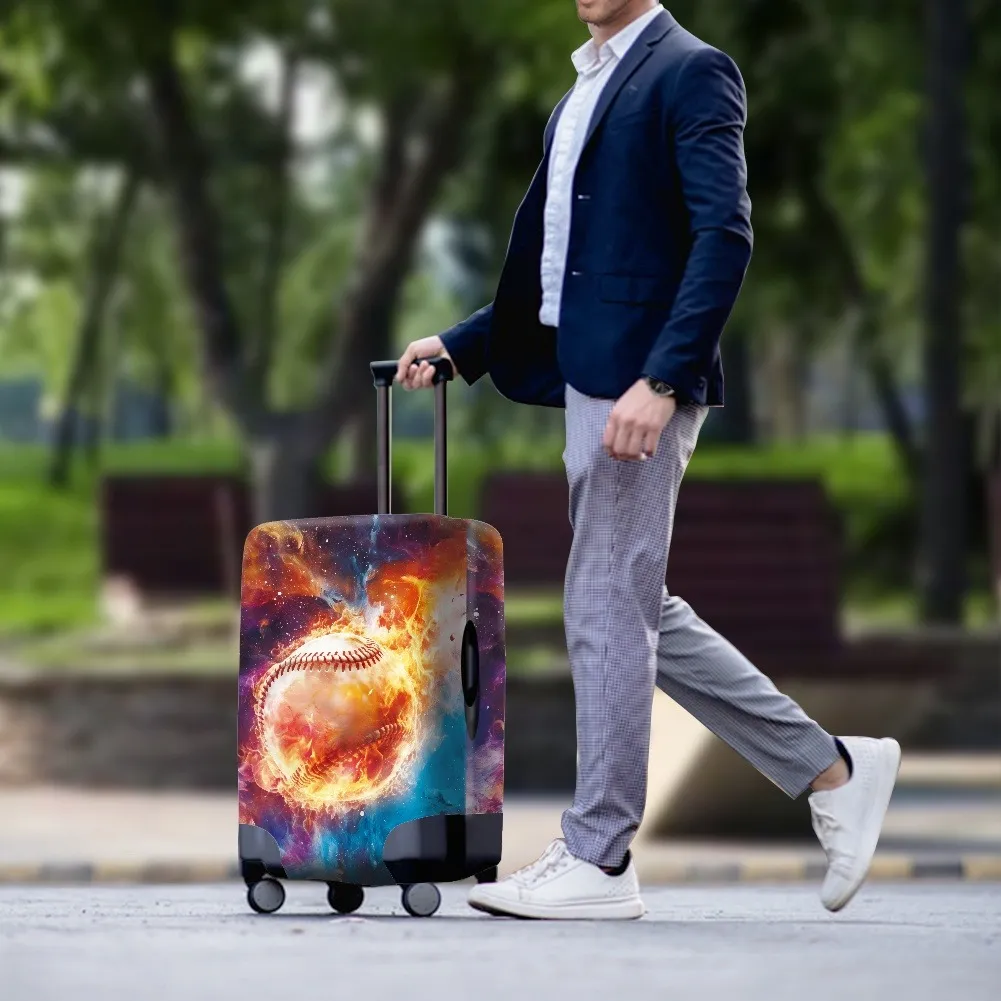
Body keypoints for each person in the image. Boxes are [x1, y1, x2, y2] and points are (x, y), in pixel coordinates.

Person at [396, 0, 900, 920]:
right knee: (630, 600)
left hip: (638, 388)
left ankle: (599, 852)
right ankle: (832, 769)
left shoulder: (690, 70)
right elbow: (567, 267)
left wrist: (663, 379)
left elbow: (723, 235)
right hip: (594, 380)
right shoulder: (582, 88)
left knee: (604, 600)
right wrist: (466, 344)